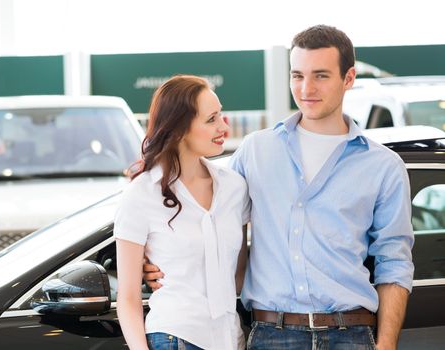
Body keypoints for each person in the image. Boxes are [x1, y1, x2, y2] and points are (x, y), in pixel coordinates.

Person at [145, 25, 414, 350]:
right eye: (297, 75)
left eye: (321, 76)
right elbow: (202, 211)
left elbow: (394, 263)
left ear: (349, 78)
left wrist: (385, 346)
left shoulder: (383, 166)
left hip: (351, 334)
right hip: (272, 335)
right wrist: (156, 259)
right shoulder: (256, 150)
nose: (306, 88)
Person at [115, 75, 250, 350]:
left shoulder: (234, 187)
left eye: (221, 115)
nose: (223, 126)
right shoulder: (142, 193)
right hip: (175, 337)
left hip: (231, 339)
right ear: (179, 128)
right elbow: (127, 297)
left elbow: (239, 275)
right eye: (211, 119)